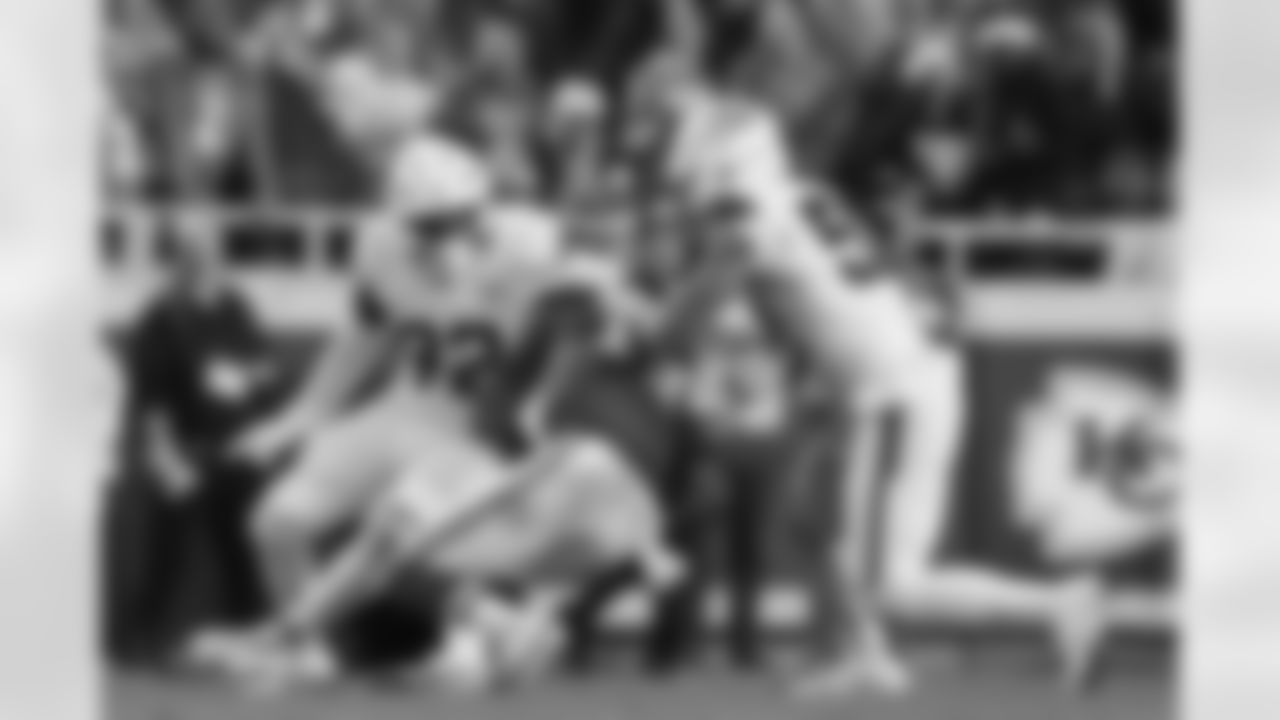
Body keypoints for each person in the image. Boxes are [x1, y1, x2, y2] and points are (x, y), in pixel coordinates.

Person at [106, 210, 274, 662]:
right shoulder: (161, 316)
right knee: (168, 551)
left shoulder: (236, 305)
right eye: (191, 247)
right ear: (177, 256)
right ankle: (138, 645)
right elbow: (151, 399)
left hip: (236, 447)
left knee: (243, 546)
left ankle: (252, 638)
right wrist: (165, 456)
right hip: (186, 449)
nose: (203, 255)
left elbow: (262, 367)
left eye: (208, 245)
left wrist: (244, 381)